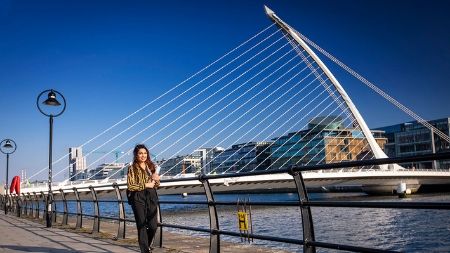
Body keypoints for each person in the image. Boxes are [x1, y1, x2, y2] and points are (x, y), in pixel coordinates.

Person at [127, 144, 160, 253]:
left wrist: (157, 179)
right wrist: (145, 185)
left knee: (153, 226)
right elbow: (131, 186)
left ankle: (147, 244)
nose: (143, 155)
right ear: (136, 155)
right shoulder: (132, 168)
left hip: (151, 196)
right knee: (141, 224)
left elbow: (156, 185)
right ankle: (145, 250)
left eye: (145, 153)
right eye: (140, 153)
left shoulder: (151, 167)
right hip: (138, 197)